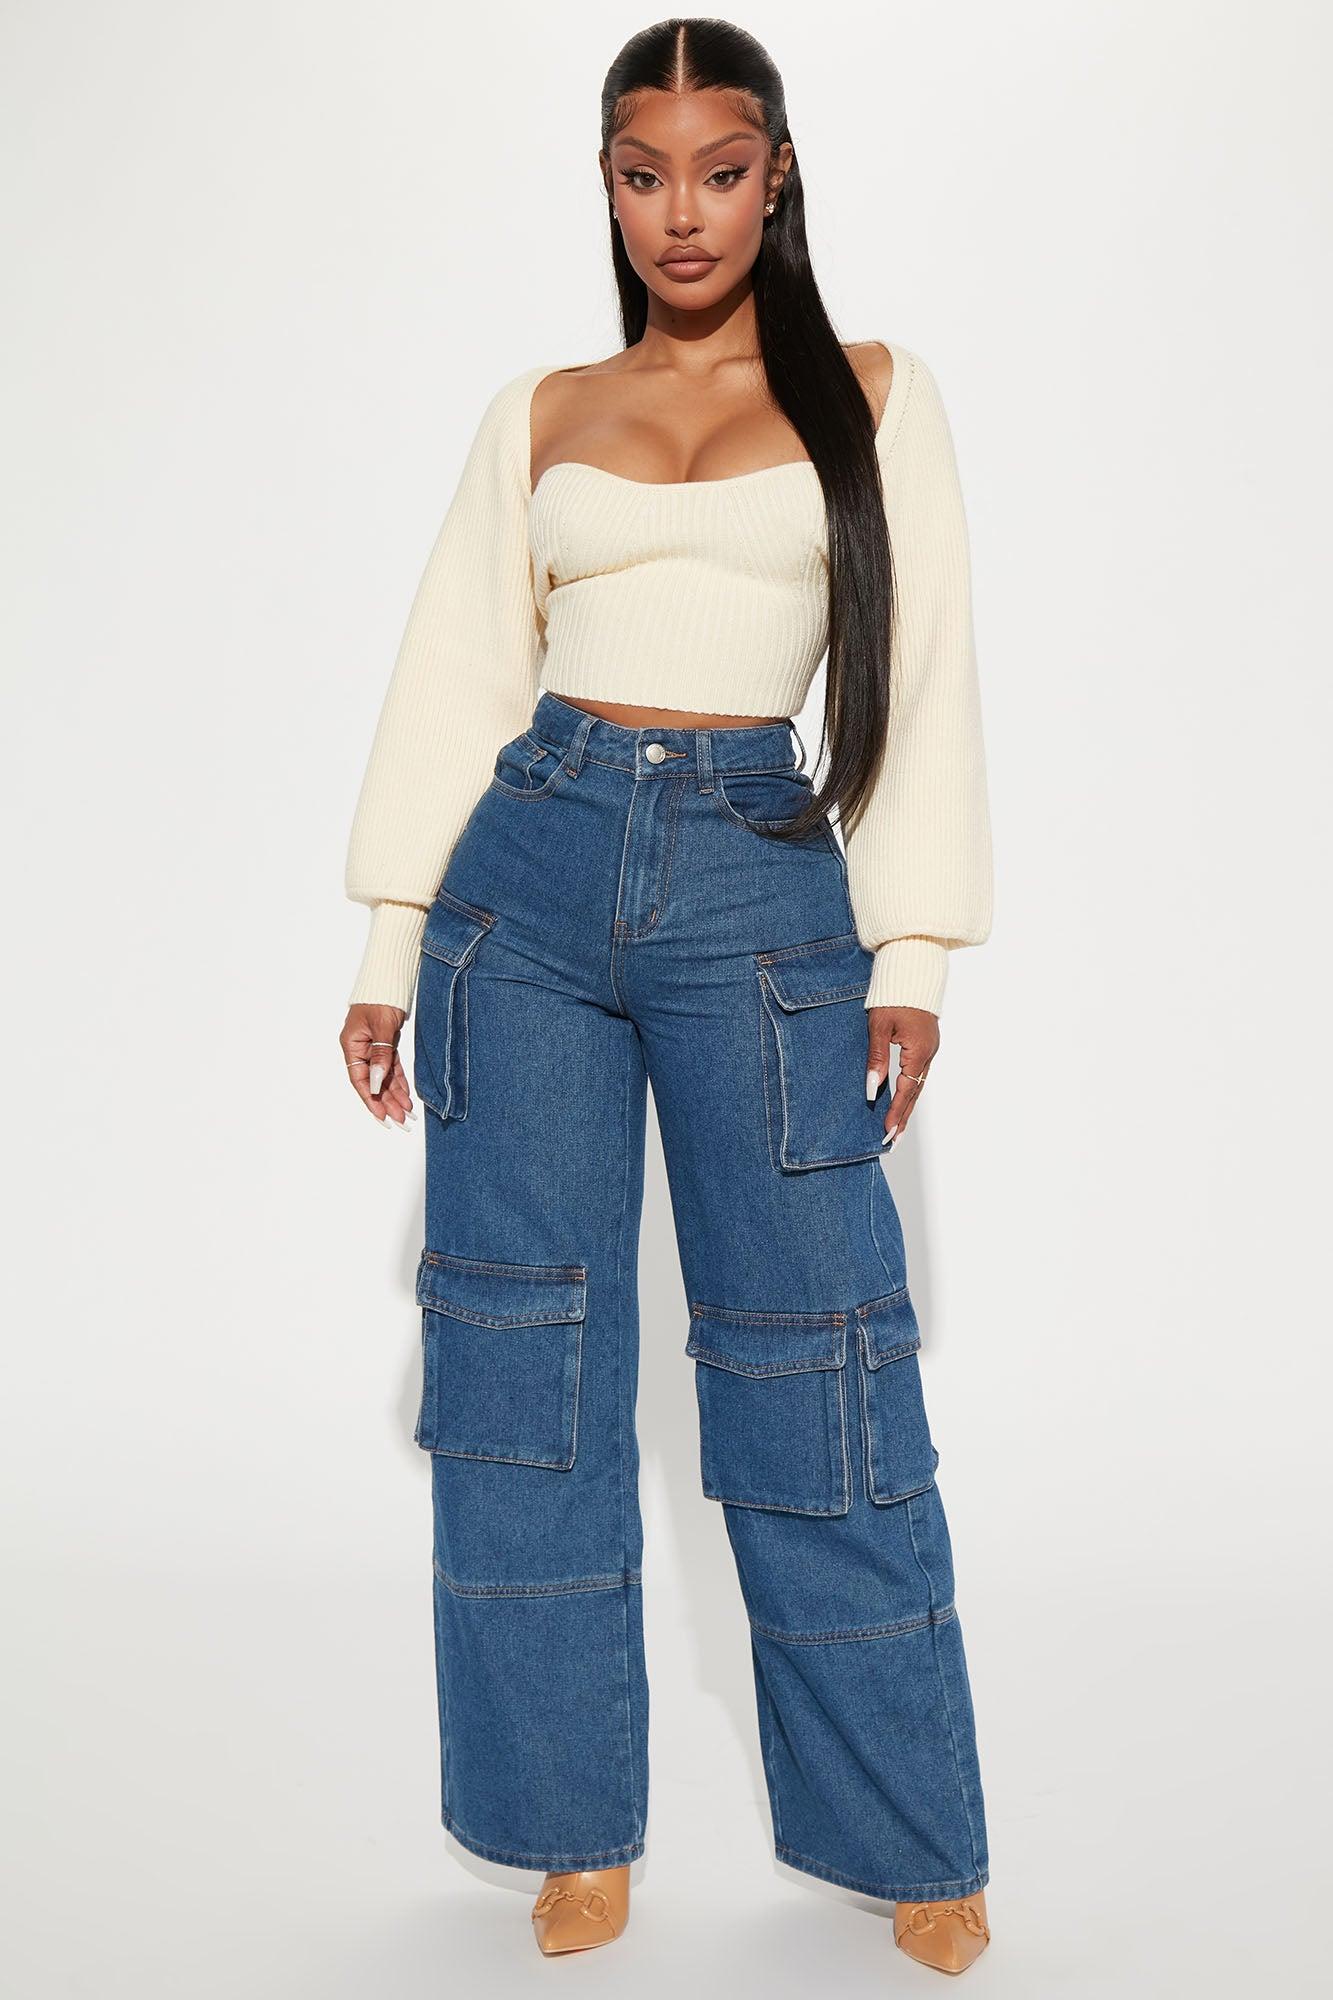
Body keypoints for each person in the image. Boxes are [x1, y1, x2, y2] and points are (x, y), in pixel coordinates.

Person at [340, 18, 994, 1976]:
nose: (681, 212)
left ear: (775, 174)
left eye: (719, 169)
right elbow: (458, 673)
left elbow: (921, 677)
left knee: (815, 1369)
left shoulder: (871, 394)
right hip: (524, 882)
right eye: (644, 174)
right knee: (519, 1379)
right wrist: (388, 948)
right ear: (608, 187)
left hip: (759, 888)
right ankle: (566, 1831)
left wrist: (910, 953)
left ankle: (911, 1840)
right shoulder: (540, 410)